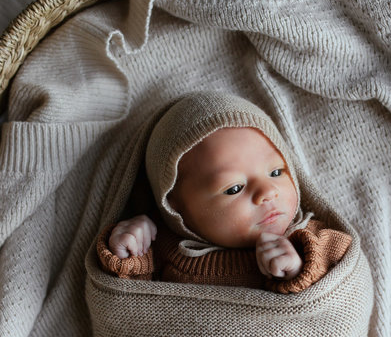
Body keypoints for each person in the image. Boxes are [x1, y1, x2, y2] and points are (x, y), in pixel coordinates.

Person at [97, 92, 352, 294]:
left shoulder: (309, 239)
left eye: (276, 172)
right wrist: (129, 251)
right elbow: (133, 302)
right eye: (234, 188)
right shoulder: (165, 251)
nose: (268, 192)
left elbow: (342, 279)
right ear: (175, 207)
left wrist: (299, 269)